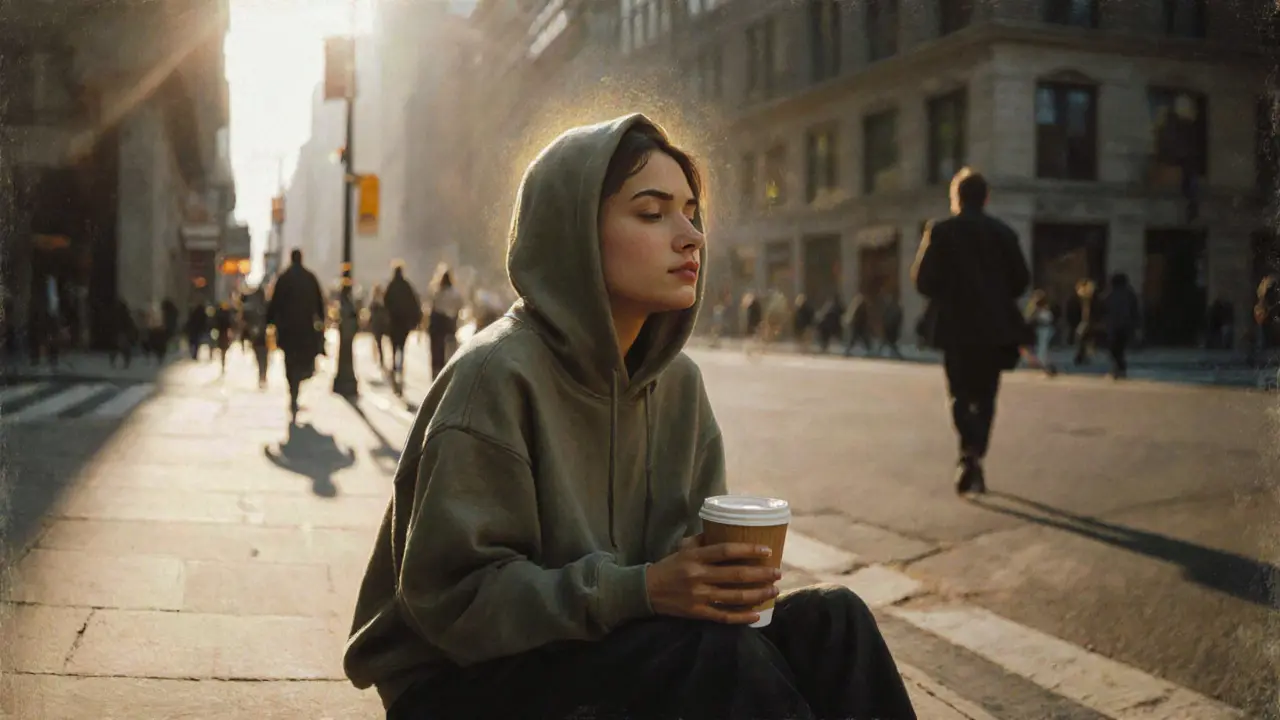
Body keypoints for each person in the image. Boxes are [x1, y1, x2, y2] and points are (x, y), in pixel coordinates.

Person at [342, 115, 916, 720]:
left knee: (836, 620)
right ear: (575, 237)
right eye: (652, 213)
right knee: (716, 660)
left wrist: (711, 581)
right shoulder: (495, 375)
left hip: (607, 647)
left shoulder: (680, 386)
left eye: (692, 212)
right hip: (460, 683)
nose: (690, 234)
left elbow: (675, 570)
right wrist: (642, 589)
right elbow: (455, 601)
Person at [912, 167, 1032, 495]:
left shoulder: (940, 231)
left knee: (959, 393)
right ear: (986, 198)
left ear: (956, 198)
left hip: (955, 327)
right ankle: (975, 452)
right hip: (994, 328)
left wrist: (949, 291)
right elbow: (1021, 280)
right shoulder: (1004, 233)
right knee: (987, 394)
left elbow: (922, 281)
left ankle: (968, 453)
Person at [267, 249, 326, 423]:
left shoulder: (284, 278)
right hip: (305, 327)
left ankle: (292, 389)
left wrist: (270, 321)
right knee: (302, 358)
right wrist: (320, 320)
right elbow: (319, 302)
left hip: (287, 328)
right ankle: (296, 388)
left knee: (289, 360)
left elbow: (275, 302)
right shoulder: (309, 278)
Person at [384, 263, 423, 392]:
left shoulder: (391, 285)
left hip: (394, 322)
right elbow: (414, 302)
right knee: (402, 345)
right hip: (403, 323)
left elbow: (385, 302)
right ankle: (400, 366)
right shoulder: (406, 286)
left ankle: (396, 365)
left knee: (394, 345)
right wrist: (416, 319)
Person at [425, 264, 462, 379]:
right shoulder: (455, 292)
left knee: (436, 350)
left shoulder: (436, 291)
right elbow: (459, 306)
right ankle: (448, 372)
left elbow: (431, 306)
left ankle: (436, 372)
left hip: (437, 323)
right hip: (449, 323)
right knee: (450, 348)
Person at [1102, 273, 1141, 379]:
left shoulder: (1110, 295)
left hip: (1114, 326)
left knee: (1114, 349)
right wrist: (1137, 326)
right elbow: (1135, 311)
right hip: (1125, 326)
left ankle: (1118, 369)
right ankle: (1120, 369)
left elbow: (1104, 309)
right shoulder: (1130, 294)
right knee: (1120, 349)